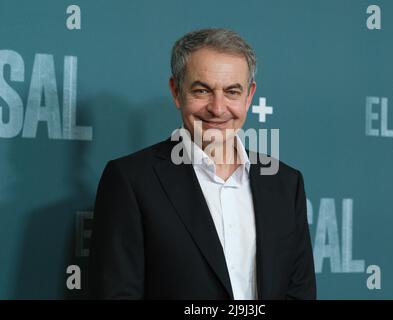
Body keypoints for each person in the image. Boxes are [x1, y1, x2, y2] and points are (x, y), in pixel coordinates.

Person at [89, 28, 316, 300]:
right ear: (176, 91)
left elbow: (299, 293)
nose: (218, 108)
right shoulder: (131, 181)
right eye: (202, 90)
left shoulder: (286, 183)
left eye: (232, 92)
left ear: (249, 96)